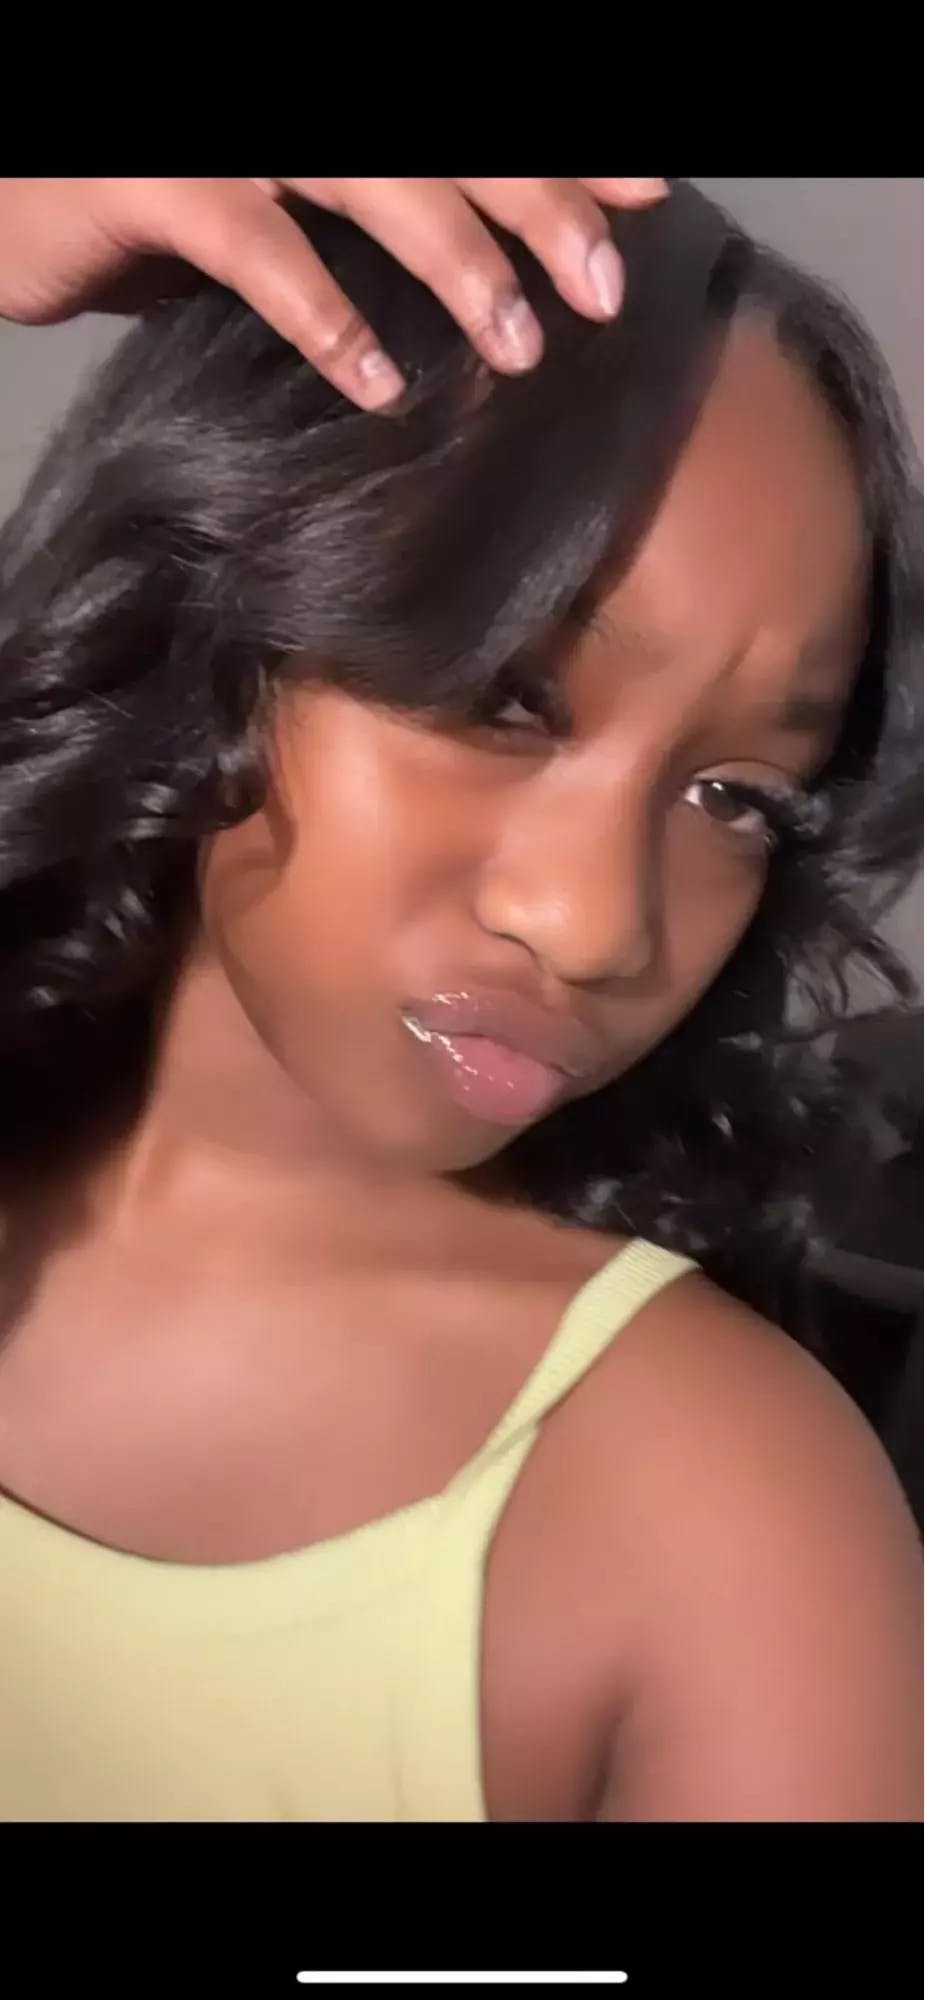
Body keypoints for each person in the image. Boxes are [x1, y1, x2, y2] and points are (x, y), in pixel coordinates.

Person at [0, 176, 920, 1823]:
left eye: (733, 798)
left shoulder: (728, 1522)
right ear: (207, 592)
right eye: (506, 693)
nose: (592, 924)